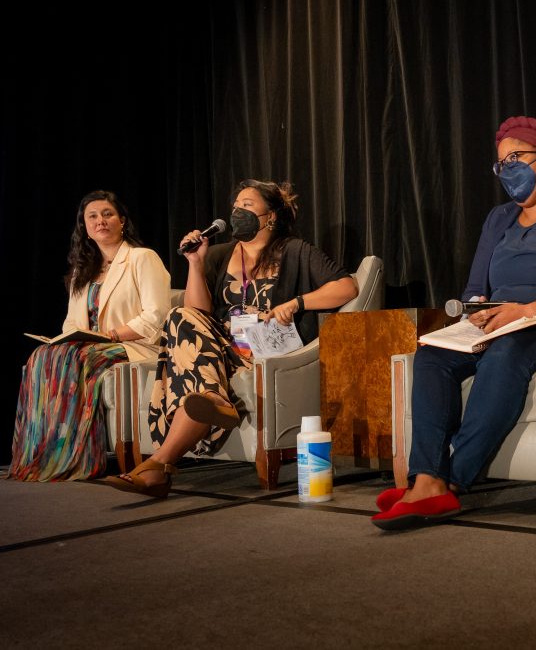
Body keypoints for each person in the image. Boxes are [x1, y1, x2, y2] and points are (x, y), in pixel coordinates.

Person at [372, 116, 536, 530]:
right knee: (430, 354)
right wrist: (478, 310)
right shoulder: (499, 219)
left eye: (517, 157)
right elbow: (476, 287)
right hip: (503, 321)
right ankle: (426, 478)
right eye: (501, 162)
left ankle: (453, 481)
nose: (507, 167)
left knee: (507, 355)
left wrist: (526, 311)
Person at [104, 179, 358, 497]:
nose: (238, 211)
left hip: (267, 352)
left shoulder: (294, 250)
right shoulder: (220, 254)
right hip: (221, 350)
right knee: (180, 316)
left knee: (188, 356)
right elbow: (196, 313)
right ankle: (204, 409)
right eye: (236, 206)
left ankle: (161, 463)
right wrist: (196, 264)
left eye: (247, 206)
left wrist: (296, 303)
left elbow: (347, 287)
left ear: (272, 216)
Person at [8, 190, 171, 481]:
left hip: (134, 346)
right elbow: (72, 322)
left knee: (77, 358)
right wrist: (67, 340)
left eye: (107, 214)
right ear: (84, 226)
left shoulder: (142, 258)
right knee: (41, 356)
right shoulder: (83, 270)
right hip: (92, 346)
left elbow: (154, 316)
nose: (101, 221)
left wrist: (111, 334)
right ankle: (45, 453)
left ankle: (74, 456)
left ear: (122, 220)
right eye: (92, 216)